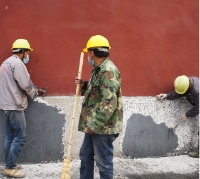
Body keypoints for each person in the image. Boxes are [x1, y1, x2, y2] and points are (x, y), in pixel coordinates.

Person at [75, 35, 123, 179]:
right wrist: (84, 85)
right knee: (86, 156)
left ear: (92, 53)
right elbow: (97, 92)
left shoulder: (107, 70)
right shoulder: (98, 69)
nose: (88, 56)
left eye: (89, 53)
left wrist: (94, 124)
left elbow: (109, 103)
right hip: (94, 125)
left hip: (103, 127)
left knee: (104, 163)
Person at [0, 39, 46, 178]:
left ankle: (10, 162)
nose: (28, 55)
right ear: (23, 51)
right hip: (15, 105)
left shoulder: (5, 63)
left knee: (10, 136)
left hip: (5, 105)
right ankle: (10, 167)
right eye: (27, 52)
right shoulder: (18, 64)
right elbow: (25, 84)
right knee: (20, 136)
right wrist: (34, 93)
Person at [157, 75, 199, 157]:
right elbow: (179, 93)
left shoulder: (197, 91)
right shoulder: (185, 83)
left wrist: (187, 114)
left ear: (188, 87)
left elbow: (198, 108)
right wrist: (167, 95)